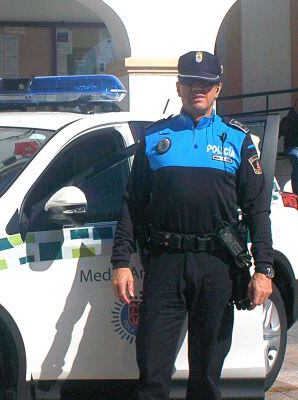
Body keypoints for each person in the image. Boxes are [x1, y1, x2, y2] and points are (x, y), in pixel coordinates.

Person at [110, 51, 274, 400]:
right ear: (179, 86)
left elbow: (258, 210)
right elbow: (132, 203)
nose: (197, 89)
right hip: (165, 264)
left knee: (206, 374)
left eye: (205, 83)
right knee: (152, 371)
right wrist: (120, 261)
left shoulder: (238, 140)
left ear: (218, 88)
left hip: (217, 266)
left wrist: (265, 269)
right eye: (190, 82)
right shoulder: (155, 137)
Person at [279, 97, 298, 192]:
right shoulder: (287, 120)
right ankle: (296, 193)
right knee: (297, 159)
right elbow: (277, 134)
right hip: (292, 148)